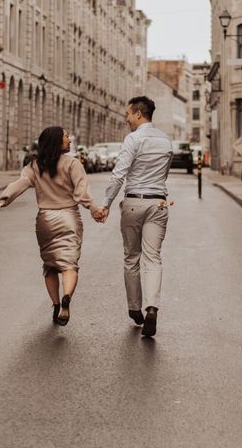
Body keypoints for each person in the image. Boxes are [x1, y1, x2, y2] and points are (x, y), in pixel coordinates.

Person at [0, 126, 104, 326]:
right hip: (69, 217)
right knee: (69, 264)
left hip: (46, 220)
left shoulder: (35, 166)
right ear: (57, 142)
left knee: (50, 266)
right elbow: (81, 193)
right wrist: (95, 210)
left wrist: (3, 200)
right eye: (66, 137)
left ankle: (56, 305)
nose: (69, 140)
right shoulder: (73, 164)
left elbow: (22, 183)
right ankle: (67, 296)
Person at [99, 96, 172, 337]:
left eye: (128, 114)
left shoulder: (133, 139)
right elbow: (164, 174)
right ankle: (152, 307)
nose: (126, 118)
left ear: (139, 114)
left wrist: (106, 204)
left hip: (133, 202)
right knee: (153, 258)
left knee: (132, 257)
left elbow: (118, 175)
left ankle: (135, 309)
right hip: (158, 202)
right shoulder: (165, 140)